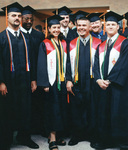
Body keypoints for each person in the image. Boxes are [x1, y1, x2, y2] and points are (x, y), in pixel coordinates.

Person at [0, 2, 39, 149]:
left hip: (25, 80)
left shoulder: (26, 38)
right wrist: (1, 82)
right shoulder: (2, 38)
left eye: (18, 16)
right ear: (7, 17)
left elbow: (32, 60)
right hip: (9, 82)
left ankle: (25, 137)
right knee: (7, 112)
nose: (17, 18)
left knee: (26, 110)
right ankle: (5, 141)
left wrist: (34, 79)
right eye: (13, 15)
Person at [92, 11, 128, 149]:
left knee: (119, 113)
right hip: (103, 85)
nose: (111, 26)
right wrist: (98, 80)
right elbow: (95, 65)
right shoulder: (101, 45)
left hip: (118, 86)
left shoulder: (124, 43)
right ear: (104, 27)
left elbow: (124, 64)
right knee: (104, 113)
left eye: (113, 24)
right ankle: (104, 140)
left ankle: (122, 142)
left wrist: (110, 80)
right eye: (108, 24)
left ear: (118, 27)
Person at [66, 14, 101, 146]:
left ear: (90, 27)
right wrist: (68, 80)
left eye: (84, 25)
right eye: (79, 25)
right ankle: (77, 135)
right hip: (77, 81)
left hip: (92, 82)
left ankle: (92, 135)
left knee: (93, 108)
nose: (81, 28)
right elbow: (67, 64)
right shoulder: (72, 44)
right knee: (76, 109)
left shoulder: (98, 44)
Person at [37, 15, 68, 150]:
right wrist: (44, 84)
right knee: (52, 110)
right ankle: (52, 138)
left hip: (62, 81)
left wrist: (68, 79)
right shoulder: (45, 44)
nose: (56, 30)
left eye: (58, 27)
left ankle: (56, 135)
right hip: (51, 82)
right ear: (49, 29)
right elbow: (41, 65)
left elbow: (68, 63)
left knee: (60, 109)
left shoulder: (64, 43)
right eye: (53, 27)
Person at [20, 5, 45, 135]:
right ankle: (25, 132)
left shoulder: (39, 35)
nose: (29, 21)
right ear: (21, 19)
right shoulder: (17, 35)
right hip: (23, 76)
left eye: (31, 19)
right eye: (26, 19)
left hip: (38, 74)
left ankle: (38, 128)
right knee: (25, 105)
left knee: (38, 103)